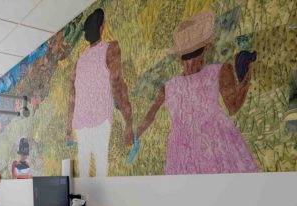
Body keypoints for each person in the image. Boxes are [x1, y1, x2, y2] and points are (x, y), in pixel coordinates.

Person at [136, 11, 258, 174]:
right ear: (207, 47)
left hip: (181, 150)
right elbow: (233, 106)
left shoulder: (169, 86)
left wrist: (135, 135)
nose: (191, 62)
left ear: (178, 56)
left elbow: (149, 117)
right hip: (215, 143)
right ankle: (244, 62)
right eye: (189, 55)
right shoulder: (220, 70)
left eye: (192, 54)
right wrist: (248, 73)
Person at [68, 8, 134, 177]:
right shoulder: (111, 48)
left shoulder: (80, 61)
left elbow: (72, 95)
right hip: (100, 117)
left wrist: (70, 125)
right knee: (101, 164)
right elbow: (117, 83)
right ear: (102, 27)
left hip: (81, 120)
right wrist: (128, 121)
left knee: (83, 166)